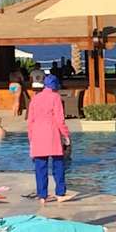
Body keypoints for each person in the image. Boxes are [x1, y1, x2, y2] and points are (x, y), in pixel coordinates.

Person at [27, 72, 74, 204]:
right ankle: (60, 193)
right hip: (52, 134)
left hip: (37, 134)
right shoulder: (55, 97)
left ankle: (42, 196)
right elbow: (59, 119)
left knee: (40, 167)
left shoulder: (35, 98)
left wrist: (31, 138)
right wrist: (66, 135)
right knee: (58, 164)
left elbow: (30, 121)